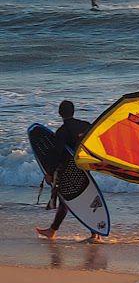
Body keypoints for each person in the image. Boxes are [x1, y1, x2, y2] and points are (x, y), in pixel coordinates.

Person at [37, 100, 91, 239]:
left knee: (65, 200)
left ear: (60, 113)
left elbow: (58, 154)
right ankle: (95, 232)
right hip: (84, 168)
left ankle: (52, 231)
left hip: (68, 170)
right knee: (86, 198)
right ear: (74, 111)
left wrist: (49, 173)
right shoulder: (86, 126)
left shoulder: (61, 131)